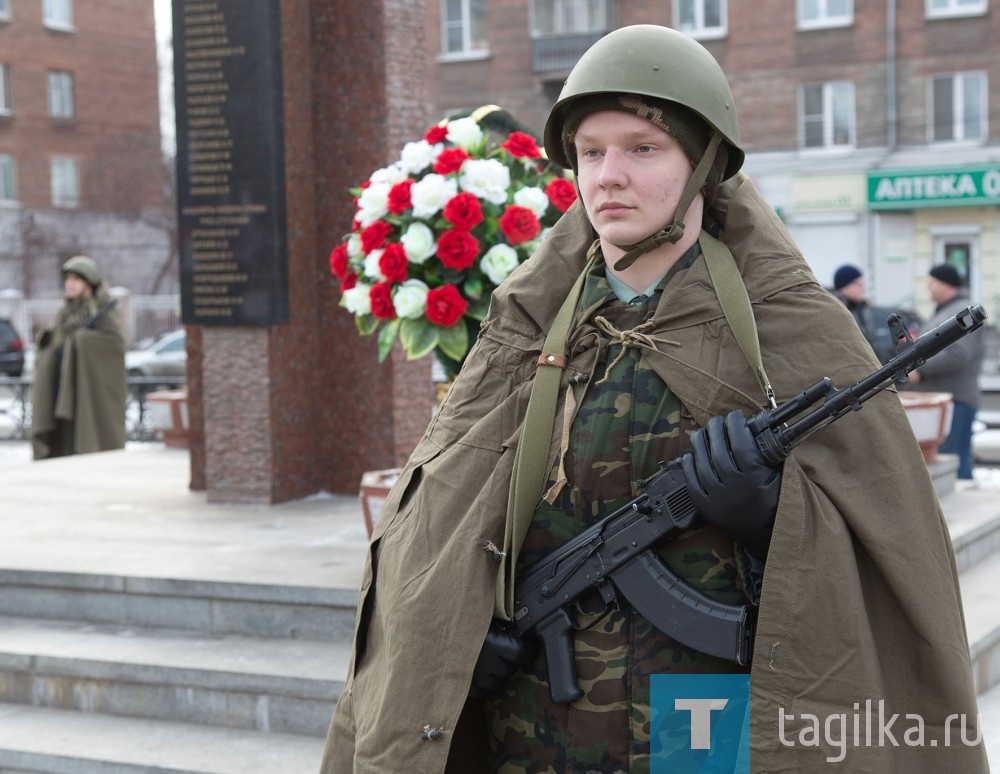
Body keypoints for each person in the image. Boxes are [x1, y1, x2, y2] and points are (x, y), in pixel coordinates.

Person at [320, 25, 986, 772]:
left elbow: (884, 548)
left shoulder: (789, 326)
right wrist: (459, 640)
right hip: (537, 734)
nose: (609, 175)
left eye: (643, 148)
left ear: (703, 165)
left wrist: (771, 519)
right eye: (591, 151)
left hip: (711, 733)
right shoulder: (526, 329)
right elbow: (438, 527)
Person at [30, 255, 127, 460]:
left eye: (76, 279)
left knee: (82, 435)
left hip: (85, 388)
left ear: (89, 282)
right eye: (68, 279)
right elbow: (53, 342)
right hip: (60, 385)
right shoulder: (64, 311)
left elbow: (114, 345)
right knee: (61, 440)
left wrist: (80, 341)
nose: (70, 284)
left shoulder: (103, 310)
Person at [907, 263, 985, 480]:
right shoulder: (947, 311)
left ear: (945, 284)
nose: (928, 287)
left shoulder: (963, 313)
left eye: (931, 282)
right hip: (947, 400)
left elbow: (958, 355)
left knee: (953, 466)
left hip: (955, 401)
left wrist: (919, 369)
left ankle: (963, 512)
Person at [830, 263, 895, 363]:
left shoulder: (862, 309)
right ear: (845, 286)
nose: (863, 288)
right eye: (858, 284)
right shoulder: (837, 312)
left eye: (863, 284)